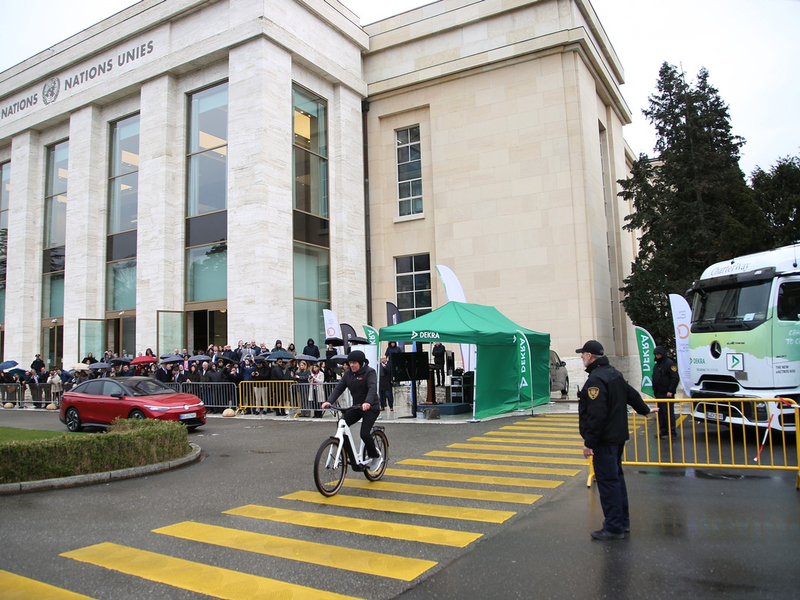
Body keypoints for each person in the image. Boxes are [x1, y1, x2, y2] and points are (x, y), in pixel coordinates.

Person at [576, 340, 658, 541]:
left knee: (608, 481)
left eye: (583, 354)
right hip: (617, 437)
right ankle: (622, 521)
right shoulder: (613, 373)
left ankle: (613, 527)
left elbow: (597, 415)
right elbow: (631, 394)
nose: (581, 357)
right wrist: (645, 410)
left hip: (605, 440)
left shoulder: (596, 380)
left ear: (591, 356)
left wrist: (589, 442)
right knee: (616, 479)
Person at [321, 350, 383, 471]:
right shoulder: (348, 374)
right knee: (341, 424)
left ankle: (375, 456)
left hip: (371, 408)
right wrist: (329, 401)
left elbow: (372, 388)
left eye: (354, 363)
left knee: (364, 434)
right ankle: (347, 453)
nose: (352, 365)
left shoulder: (370, 372)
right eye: (350, 363)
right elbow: (339, 388)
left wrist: (368, 402)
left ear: (361, 363)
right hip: (356, 407)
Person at [652, 345, 680, 440]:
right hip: (659, 393)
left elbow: (675, 378)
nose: (657, 355)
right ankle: (663, 431)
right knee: (661, 414)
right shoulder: (657, 365)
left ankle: (672, 432)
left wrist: (671, 390)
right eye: (656, 354)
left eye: (659, 354)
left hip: (667, 394)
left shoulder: (669, 363)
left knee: (668, 413)